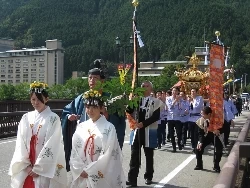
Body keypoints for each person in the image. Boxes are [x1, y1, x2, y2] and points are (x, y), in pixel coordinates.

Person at [61, 61, 126, 171]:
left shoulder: (109, 97)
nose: (92, 80)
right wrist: (69, 117)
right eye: (90, 78)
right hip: (84, 138)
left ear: (102, 80)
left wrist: (107, 114)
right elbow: (67, 110)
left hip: (102, 139)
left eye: (95, 78)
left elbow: (119, 120)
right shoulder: (83, 97)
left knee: (101, 170)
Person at [9, 81, 67, 187]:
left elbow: (52, 145)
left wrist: (38, 168)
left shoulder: (53, 118)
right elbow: (20, 143)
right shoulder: (26, 117)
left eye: (39, 99)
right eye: (33, 99)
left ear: (46, 99)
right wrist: (26, 165)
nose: (36, 103)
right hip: (27, 166)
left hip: (44, 169)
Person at [69, 89, 125, 188]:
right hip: (81, 173)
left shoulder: (109, 127)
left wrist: (91, 171)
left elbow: (109, 154)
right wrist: (79, 169)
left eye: (94, 107)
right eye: (88, 107)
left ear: (101, 108)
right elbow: (75, 151)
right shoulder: (81, 126)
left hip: (100, 173)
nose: (90, 110)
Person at [126, 81, 163, 187]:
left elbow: (156, 117)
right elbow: (129, 110)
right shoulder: (137, 100)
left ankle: (148, 176)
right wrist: (130, 100)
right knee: (134, 155)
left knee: (149, 155)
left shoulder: (156, 102)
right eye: (143, 86)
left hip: (149, 130)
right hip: (137, 130)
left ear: (151, 89)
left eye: (147, 86)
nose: (145, 88)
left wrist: (144, 123)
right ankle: (132, 179)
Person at [194, 106, 224, 172]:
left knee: (218, 150)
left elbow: (224, 127)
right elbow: (200, 133)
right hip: (207, 136)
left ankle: (216, 165)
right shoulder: (201, 120)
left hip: (216, 135)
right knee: (198, 148)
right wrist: (200, 142)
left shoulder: (217, 119)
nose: (202, 115)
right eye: (201, 114)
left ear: (209, 114)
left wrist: (218, 130)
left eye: (203, 114)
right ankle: (199, 164)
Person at [166, 87, 182, 152]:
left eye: (175, 91)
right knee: (171, 133)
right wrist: (176, 100)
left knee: (179, 132)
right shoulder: (168, 98)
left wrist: (179, 102)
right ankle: (174, 147)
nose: (174, 92)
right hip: (170, 118)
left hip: (178, 118)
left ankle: (179, 142)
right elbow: (170, 106)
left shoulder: (180, 99)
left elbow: (181, 108)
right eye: (173, 91)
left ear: (178, 92)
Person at [188, 88, 204, 153]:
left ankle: (198, 146)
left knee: (197, 133)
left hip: (197, 118)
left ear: (196, 92)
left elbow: (197, 107)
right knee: (191, 134)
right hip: (191, 118)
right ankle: (193, 146)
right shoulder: (189, 99)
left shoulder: (199, 98)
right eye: (191, 92)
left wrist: (192, 101)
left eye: (194, 91)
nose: (192, 93)